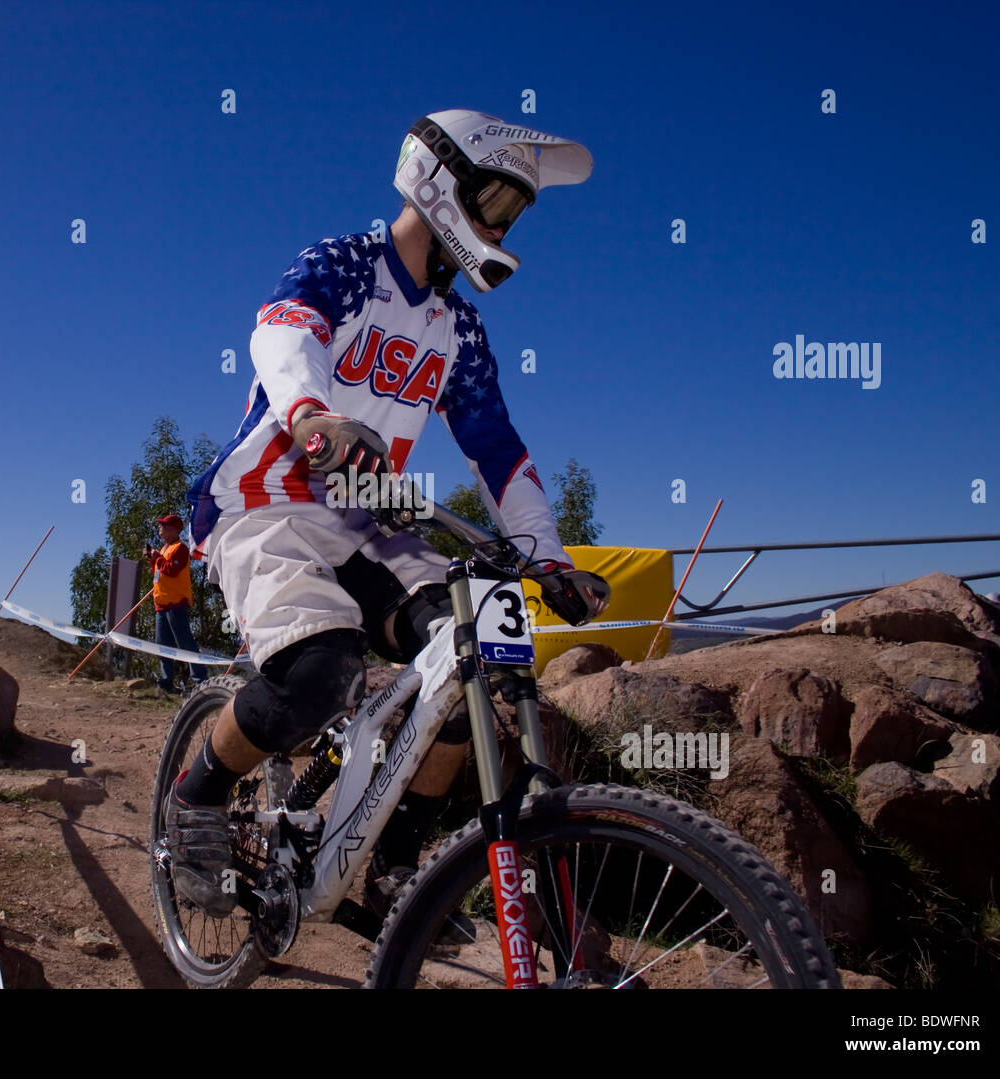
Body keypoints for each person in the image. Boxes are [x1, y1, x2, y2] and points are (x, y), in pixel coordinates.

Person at [173, 109, 610, 917]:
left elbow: (498, 449)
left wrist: (545, 553)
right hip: (266, 504)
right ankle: (196, 796)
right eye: (496, 204)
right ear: (438, 180)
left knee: (478, 648)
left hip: (366, 519)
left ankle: (393, 864)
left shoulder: (457, 327)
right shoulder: (344, 264)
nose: (503, 226)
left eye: (515, 215)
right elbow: (283, 332)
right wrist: (309, 412)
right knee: (320, 670)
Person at [142, 514, 205, 695]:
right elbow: (159, 573)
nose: (160, 528)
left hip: (175, 603)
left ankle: (200, 680)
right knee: (163, 645)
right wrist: (152, 559)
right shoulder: (165, 548)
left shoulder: (180, 549)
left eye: (163, 525)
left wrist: (157, 558)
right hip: (162, 604)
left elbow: (170, 570)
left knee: (186, 643)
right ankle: (166, 682)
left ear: (173, 530)